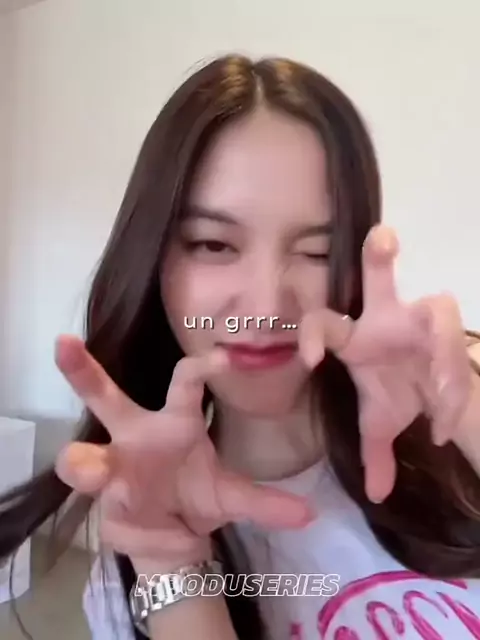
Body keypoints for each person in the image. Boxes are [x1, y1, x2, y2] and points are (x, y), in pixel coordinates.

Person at [1, 53, 480, 640]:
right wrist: (171, 557)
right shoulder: (130, 584)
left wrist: (463, 410)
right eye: (213, 244)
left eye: (317, 252)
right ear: (153, 259)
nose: (267, 304)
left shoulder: (461, 390)